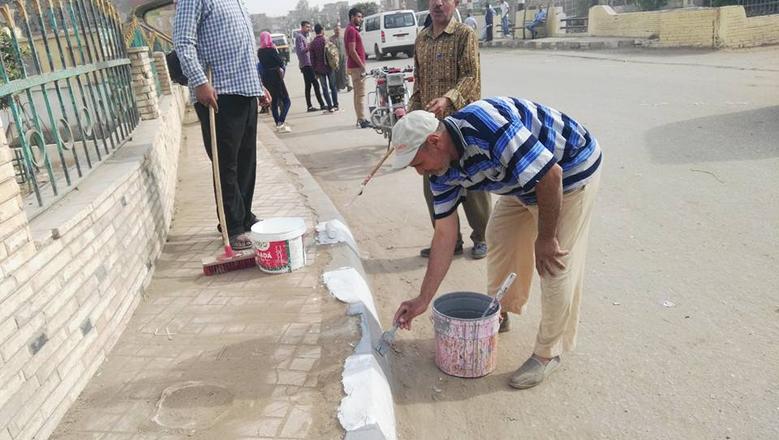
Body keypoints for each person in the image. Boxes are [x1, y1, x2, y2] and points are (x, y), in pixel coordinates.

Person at [390, 97, 603, 390]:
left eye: (418, 162)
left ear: (435, 141)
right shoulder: (440, 171)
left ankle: (548, 353)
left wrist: (545, 237)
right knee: (499, 237)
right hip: (526, 183)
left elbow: (551, 175)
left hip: (569, 172)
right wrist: (422, 299)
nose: (419, 172)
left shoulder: (486, 126)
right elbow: (444, 235)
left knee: (554, 264)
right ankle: (497, 313)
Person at [173, 0, 269, 250]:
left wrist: (259, 86)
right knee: (227, 163)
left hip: (246, 89)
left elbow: (246, 48)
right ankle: (233, 226)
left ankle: (244, 215)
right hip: (219, 93)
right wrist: (199, 81)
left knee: (248, 161)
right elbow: (183, 42)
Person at [409, 0, 491, 260]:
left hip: (462, 126)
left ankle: (482, 237)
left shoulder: (464, 34)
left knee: (474, 185)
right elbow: (419, 86)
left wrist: (448, 99)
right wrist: (411, 116)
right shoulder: (421, 40)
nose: (438, 3)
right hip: (430, 131)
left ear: (454, 3)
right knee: (433, 186)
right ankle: (449, 240)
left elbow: (470, 77)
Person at [257, 32, 292, 132]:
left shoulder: (260, 52)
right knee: (287, 101)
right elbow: (281, 63)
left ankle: (278, 123)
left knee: (274, 102)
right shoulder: (272, 50)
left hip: (266, 78)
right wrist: (275, 50)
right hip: (276, 76)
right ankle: (281, 121)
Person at [345, 7, 371, 129]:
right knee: (360, 94)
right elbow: (352, 50)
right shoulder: (351, 30)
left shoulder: (351, 29)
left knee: (357, 94)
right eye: (358, 16)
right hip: (356, 67)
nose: (361, 19)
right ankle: (362, 119)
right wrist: (361, 66)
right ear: (352, 17)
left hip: (354, 66)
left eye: (361, 17)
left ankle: (359, 118)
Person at [294, 20, 325, 112]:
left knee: (308, 85)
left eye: (309, 27)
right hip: (306, 64)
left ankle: (309, 106)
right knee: (315, 84)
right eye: (307, 27)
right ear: (302, 27)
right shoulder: (300, 37)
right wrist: (310, 45)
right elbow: (300, 51)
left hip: (309, 63)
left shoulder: (306, 37)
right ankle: (322, 104)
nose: (309, 29)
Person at [309, 23, 339, 112]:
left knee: (324, 88)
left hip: (319, 69)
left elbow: (312, 58)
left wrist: (314, 70)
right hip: (329, 67)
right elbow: (334, 53)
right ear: (322, 30)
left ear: (315, 31)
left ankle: (329, 106)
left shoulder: (313, 43)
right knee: (333, 86)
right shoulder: (326, 40)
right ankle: (336, 104)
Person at [330, 25, 352, 92]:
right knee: (337, 73)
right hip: (335, 59)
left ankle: (348, 85)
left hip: (344, 57)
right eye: (336, 30)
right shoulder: (331, 39)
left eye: (339, 30)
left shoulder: (343, 38)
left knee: (345, 72)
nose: (338, 31)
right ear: (334, 31)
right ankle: (337, 86)